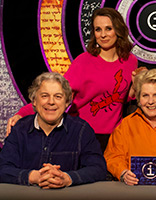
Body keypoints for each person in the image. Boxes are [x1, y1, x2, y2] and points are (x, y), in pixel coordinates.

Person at [6, 8, 141, 152]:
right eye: (98, 29)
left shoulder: (130, 61)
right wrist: (22, 113)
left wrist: (135, 87)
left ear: (118, 30)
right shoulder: (84, 62)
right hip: (83, 134)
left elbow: (122, 98)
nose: (103, 35)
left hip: (115, 136)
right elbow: (57, 93)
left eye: (108, 29)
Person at [0, 72, 107, 188]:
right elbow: (3, 168)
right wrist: (33, 176)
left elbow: (98, 169)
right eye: (44, 96)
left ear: (67, 103)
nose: (51, 102)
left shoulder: (82, 130)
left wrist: (67, 178)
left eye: (58, 96)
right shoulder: (19, 130)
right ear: (34, 101)